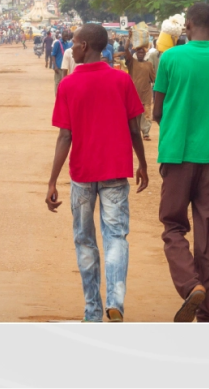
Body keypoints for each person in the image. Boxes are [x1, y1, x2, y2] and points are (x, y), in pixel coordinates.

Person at [45, 24, 148, 323]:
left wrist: (52, 180)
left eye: (74, 44)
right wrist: (141, 163)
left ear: (86, 46)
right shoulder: (121, 81)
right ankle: (115, 302)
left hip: (82, 174)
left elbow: (65, 136)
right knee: (116, 236)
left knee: (85, 240)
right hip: (116, 172)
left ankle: (92, 311)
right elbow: (134, 128)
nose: (70, 48)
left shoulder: (68, 85)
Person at [152, 3, 209, 322]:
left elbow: (158, 112)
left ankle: (191, 286)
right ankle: (205, 311)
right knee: (208, 234)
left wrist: (176, 126)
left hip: (177, 155)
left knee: (174, 226)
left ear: (187, 25)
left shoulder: (170, 58)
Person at [120, 36, 156, 142]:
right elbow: (126, 50)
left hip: (146, 94)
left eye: (142, 53)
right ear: (136, 53)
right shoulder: (132, 62)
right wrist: (129, 38)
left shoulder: (149, 65)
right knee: (134, 115)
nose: (140, 54)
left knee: (146, 115)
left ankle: (145, 133)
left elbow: (153, 78)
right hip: (134, 94)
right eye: (139, 52)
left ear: (145, 54)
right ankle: (134, 132)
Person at [51, 29, 73, 96]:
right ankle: (57, 97)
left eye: (67, 36)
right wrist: (55, 66)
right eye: (65, 36)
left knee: (64, 82)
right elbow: (53, 55)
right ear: (62, 35)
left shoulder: (67, 43)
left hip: (65, 66)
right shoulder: (57, 43)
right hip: (58, 66)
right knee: (58, 82)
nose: (66, 38)